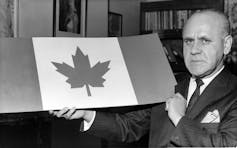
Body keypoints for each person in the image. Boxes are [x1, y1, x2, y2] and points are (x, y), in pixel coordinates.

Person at [50, 9, 237, 147]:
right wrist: (86, 114)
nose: (194, 50)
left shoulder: (233, 93)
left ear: (227, 45)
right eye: (188, 41)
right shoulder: (169, 86)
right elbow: (129, 126)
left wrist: (179, 118)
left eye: (205, 40)